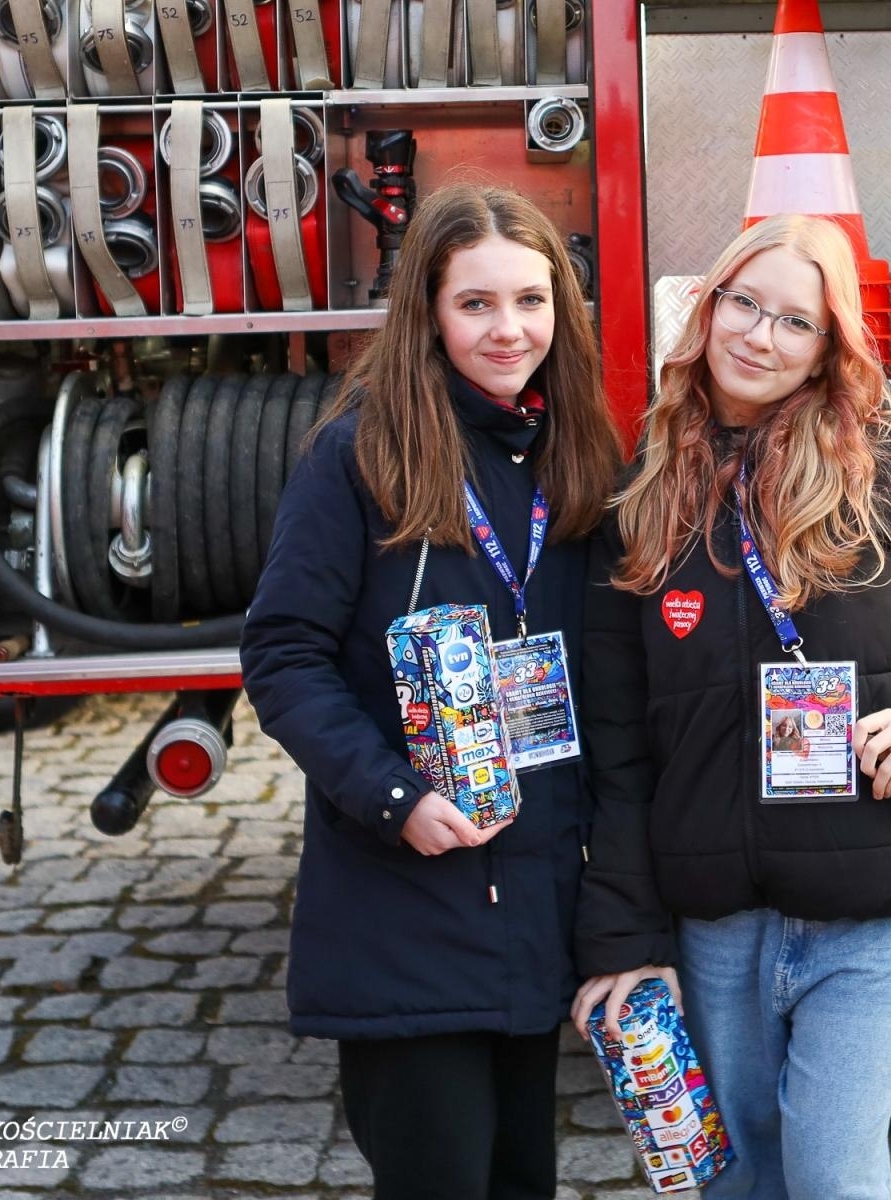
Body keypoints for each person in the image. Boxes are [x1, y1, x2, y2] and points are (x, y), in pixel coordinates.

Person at [570, 214, 891, 1199]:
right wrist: (620, 940)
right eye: (744, 304)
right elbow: (619, 755)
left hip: (877, 911)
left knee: (831, 1175)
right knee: (734, 1178)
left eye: (795, 321)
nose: (760, 336)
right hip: (721, 923)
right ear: (706, 313)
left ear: (828, 348)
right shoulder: (642, 502)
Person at [240, 183, 621, 1200]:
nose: (510, 330)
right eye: (477, 304)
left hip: (532, 899)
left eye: (532, 302)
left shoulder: (572, 453)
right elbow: (283, 656)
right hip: (405, 898)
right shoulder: (359, 455)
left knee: (518, 1182)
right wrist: (391, 797)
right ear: (428, 312)